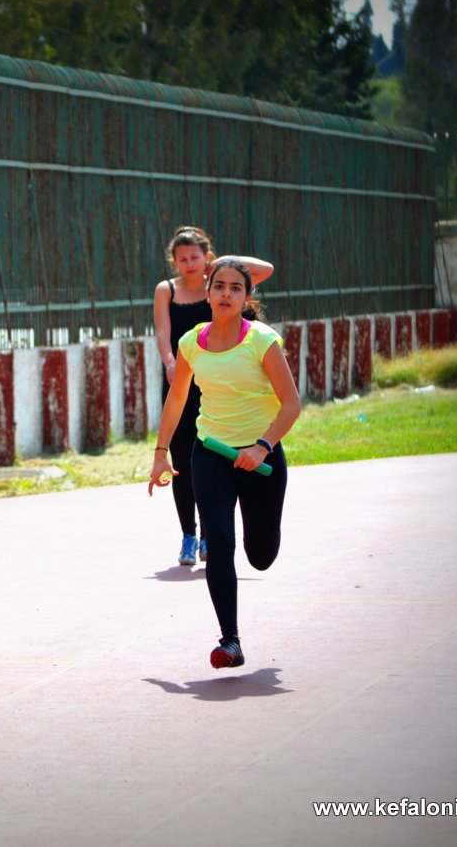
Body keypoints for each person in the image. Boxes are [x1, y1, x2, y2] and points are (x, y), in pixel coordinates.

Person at [148, 258, 300, 669]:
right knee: (218, 541)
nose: (227, 293)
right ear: (208, 293)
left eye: (236, 288)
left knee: (261, 554)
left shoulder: (262, 341)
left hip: (261, 458)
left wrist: (263, 446)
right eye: (220, 286)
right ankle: (229, 641)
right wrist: (160, 454)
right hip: (211, 453)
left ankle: (261, 542)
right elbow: (177, 399)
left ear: (247, 298)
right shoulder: (192, 342)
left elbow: (291, 404)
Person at [152, 226, 274, 567]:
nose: (190, 264)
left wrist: (220, 263)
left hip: (215, 382)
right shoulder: (166, 290)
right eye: (182, 259)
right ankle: (188, 535)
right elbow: (162, 332)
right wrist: (170, 362)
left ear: (206, 257)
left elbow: (264, 270)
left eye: (196, 257)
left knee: (211, 455)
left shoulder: (219, 283)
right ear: (174, 262)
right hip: (180, 377)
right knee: (183, 461)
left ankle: (211, 534)